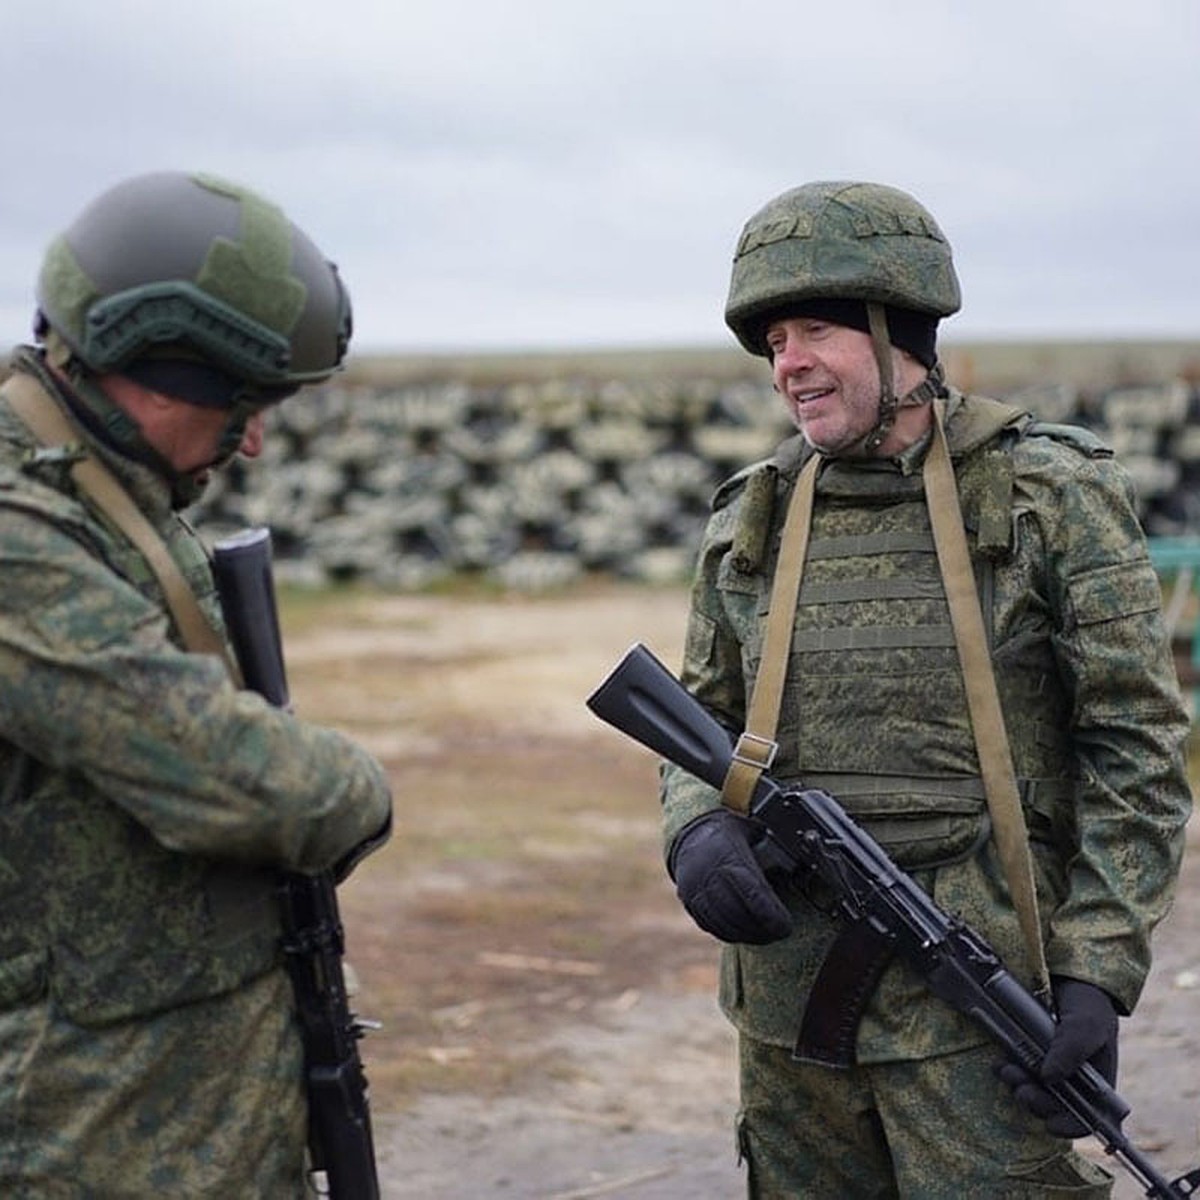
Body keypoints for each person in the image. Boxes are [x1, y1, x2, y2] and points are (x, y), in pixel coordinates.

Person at [660, 180, 1193, 1197]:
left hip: (977, 1016)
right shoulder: (752, 517)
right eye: (774, 342)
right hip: (788, 1016)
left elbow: (1135, 744)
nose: (790, 365)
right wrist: (697, 828)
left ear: (898, 331)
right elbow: (697, 719)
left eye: (815, 330)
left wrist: (1095, 972)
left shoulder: (1051, 493)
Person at [0, 171, 393, 1195]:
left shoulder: (101, 488)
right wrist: (353, 791)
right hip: (85, 1131)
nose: (255, 438)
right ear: (148, 364)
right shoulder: (18, 531)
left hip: (174, 1112)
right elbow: (213, 767)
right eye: (242, 401)